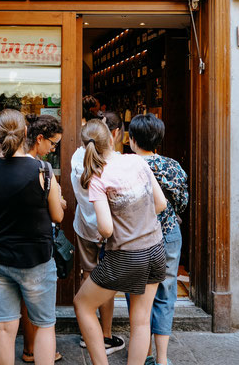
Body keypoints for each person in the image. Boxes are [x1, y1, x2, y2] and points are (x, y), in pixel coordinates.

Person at [73, 118, 167, 365]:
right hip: (156, 249)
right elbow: (161, 204)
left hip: (126, 255)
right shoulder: (136, 161)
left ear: (85, 147)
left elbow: (105, 228)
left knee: (82, 304)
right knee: (141, 320)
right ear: (113, 138)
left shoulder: (97, 178)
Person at [0, 109, 64, 365]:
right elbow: (57, 216)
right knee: (45, 325)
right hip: (35, 260)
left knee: (5, 327)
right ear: (27, 133)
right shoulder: (43, 170)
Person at [128, 114, 189, 365]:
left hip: (136, 236)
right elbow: (182, 203)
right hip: (168, 233)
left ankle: (144, 352)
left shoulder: (126, 165)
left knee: (137, 293)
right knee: (166, 293)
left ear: (131, 140)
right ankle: (162, 359)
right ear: (159, 140)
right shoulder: (172, 166)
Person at [71, 110, 125, 356]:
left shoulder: (75, 158)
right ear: (110, 138)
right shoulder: (113, 164)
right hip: (109, 230)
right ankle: (104, 335)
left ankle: (87, 333)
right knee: (107, 282)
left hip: (84, 227)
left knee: (88, 275)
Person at [21, 113, 65, 364]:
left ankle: (29, 348)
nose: (53, 148)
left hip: (12, 244)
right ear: (39, 139)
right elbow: (57, 213)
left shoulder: (5, 162)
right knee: (40, 308)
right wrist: (58, 200)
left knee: (22, 308)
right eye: (52, 143)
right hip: (37, 244)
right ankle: (40, 351)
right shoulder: (43, 170)